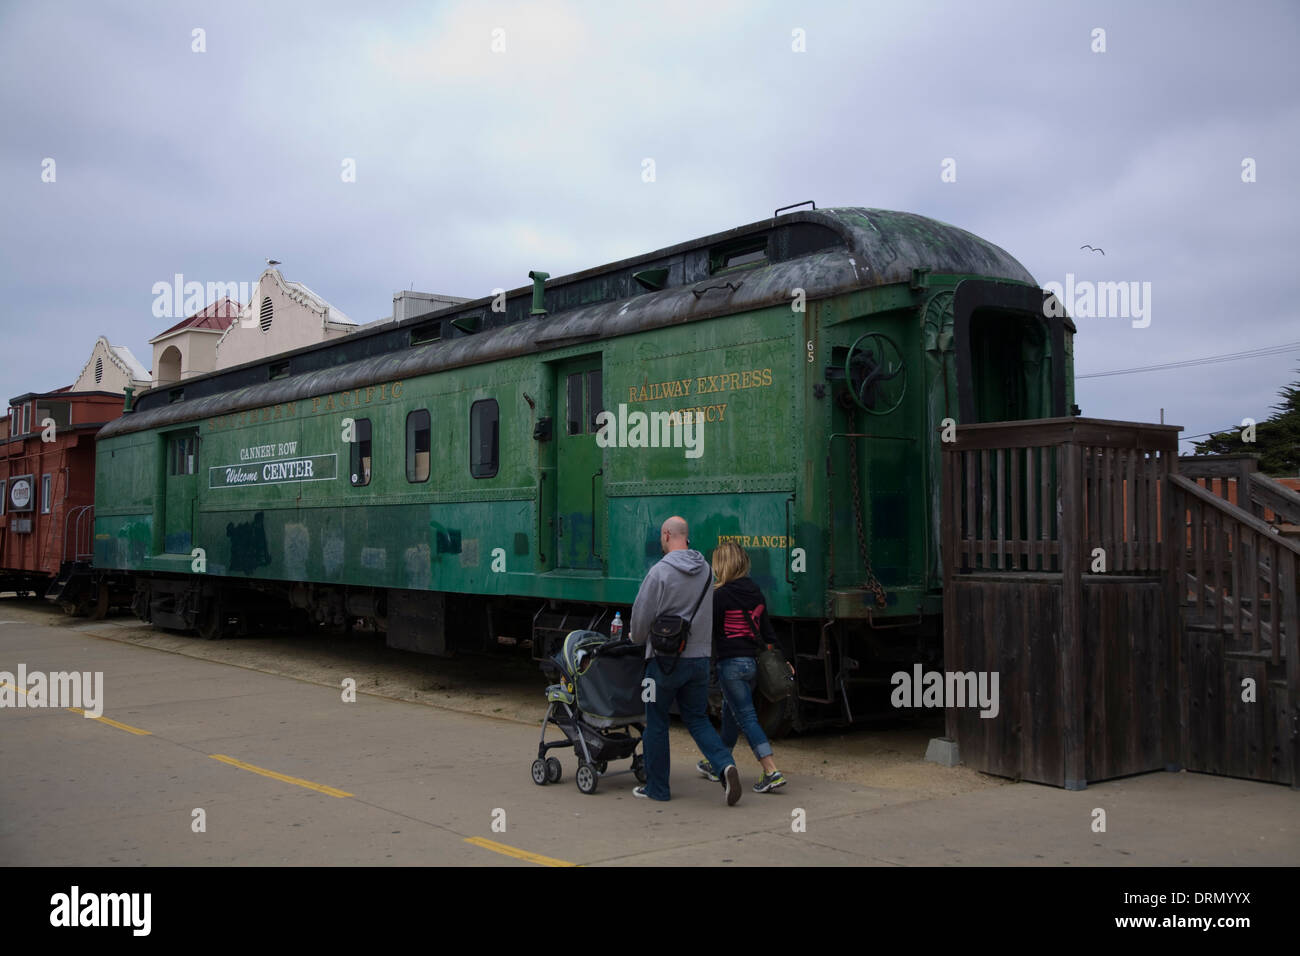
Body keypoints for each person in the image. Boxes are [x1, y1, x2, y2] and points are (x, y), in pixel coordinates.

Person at [629, 516, 742, 805]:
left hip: (663, 663)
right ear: (686, 536)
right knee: (698, 719)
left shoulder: (659, 572)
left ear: (666, 535)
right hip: (699, 661)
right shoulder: (706, 570)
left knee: (655, 720)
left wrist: (636, 638)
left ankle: (657, 789)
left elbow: (641, 620)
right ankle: (724, 765)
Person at [697, 541, 788, 792]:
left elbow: (709, 633)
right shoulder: (756, 593)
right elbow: (768, 633)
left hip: (731, 665)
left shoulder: (720, 596)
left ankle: (771, 770)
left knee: (746, 717)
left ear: (722, 565)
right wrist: (785, 659)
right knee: (730, 712)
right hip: (751, 664)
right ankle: (719, 763)